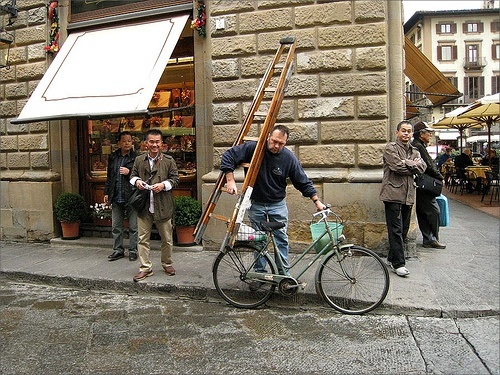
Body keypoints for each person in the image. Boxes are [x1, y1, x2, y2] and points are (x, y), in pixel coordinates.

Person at [220, 124, 325, 275]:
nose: (276, 146)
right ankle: (259, 274)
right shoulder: (254, 149)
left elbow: (302, 181)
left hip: (277, 205)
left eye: (281, 143)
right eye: (274, 141)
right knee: (259, 241)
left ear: (285, 143)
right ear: (268, 137)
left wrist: (316, 201)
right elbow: (228, 156)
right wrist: (230, 180)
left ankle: (283, 275)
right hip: (256, 204)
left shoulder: (288, 158)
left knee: (281, 238)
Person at [129, 129, 179, 282]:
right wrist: (137, 181)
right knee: (142, 239)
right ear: (146, 143)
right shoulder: (139, 160)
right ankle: (145, 268)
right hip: (144, 206)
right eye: (151, 141)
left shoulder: (169, 160)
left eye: (157, 142)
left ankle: (167, 263)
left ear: (162, 144)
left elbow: (175, 179)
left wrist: (163, 185)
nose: (155, 145)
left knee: (167, 239)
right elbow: (132, 176)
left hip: (163, 205)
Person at [380, 120, 426, 277]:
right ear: (397, 132)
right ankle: (399, 263)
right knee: (395, 229)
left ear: (412, 134)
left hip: (408, 195)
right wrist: (411, 164)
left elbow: (422, 168)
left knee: (404, 229)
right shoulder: (390, 148)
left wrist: (408, 163)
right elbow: (396, 167)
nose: (406, 133)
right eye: (403, 131)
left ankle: (392, 257)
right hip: (393, 194)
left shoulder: (415, 151)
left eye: (409, 131)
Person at [411, 121, 446, 249]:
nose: (430, 134)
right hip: (424, 185)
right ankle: (432, 238)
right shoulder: (418, 146)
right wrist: (440, 177)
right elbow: (429, 166)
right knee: (434, 211)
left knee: (424, 212)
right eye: (428, 132)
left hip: (421, 185)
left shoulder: (418, 145)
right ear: (421, 134)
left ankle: (429, 238)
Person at [105, 131, 139, 261]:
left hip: (131, 196)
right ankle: (118, 250)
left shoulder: (136, 158)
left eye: (129, 141)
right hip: (116, 195)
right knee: (116, 226)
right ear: (119, 143)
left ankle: (133, 251)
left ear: (132, 142)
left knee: (133, 226)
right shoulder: (113, 157)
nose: (127, 143)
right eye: (124, 141)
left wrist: (129, 172)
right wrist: (107, 193)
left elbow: (142, 176)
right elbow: (109, 177)